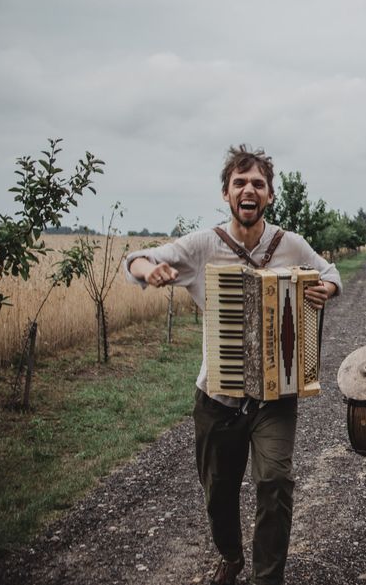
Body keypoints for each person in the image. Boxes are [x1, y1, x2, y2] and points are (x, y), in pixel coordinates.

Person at [124, 145, 341, 585]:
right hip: (217, 398)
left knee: (275, 483)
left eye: (258, 183)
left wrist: (327, 290)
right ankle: (231, 555)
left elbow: (331, 272)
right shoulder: (204, 245)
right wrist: (149, 271)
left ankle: (267, 577)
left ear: (269, 196)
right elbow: (136, 259)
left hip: (275, 397)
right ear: (226, 194)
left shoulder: (289, 244)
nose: (249, 189)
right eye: (240, 182)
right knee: (219, 494)